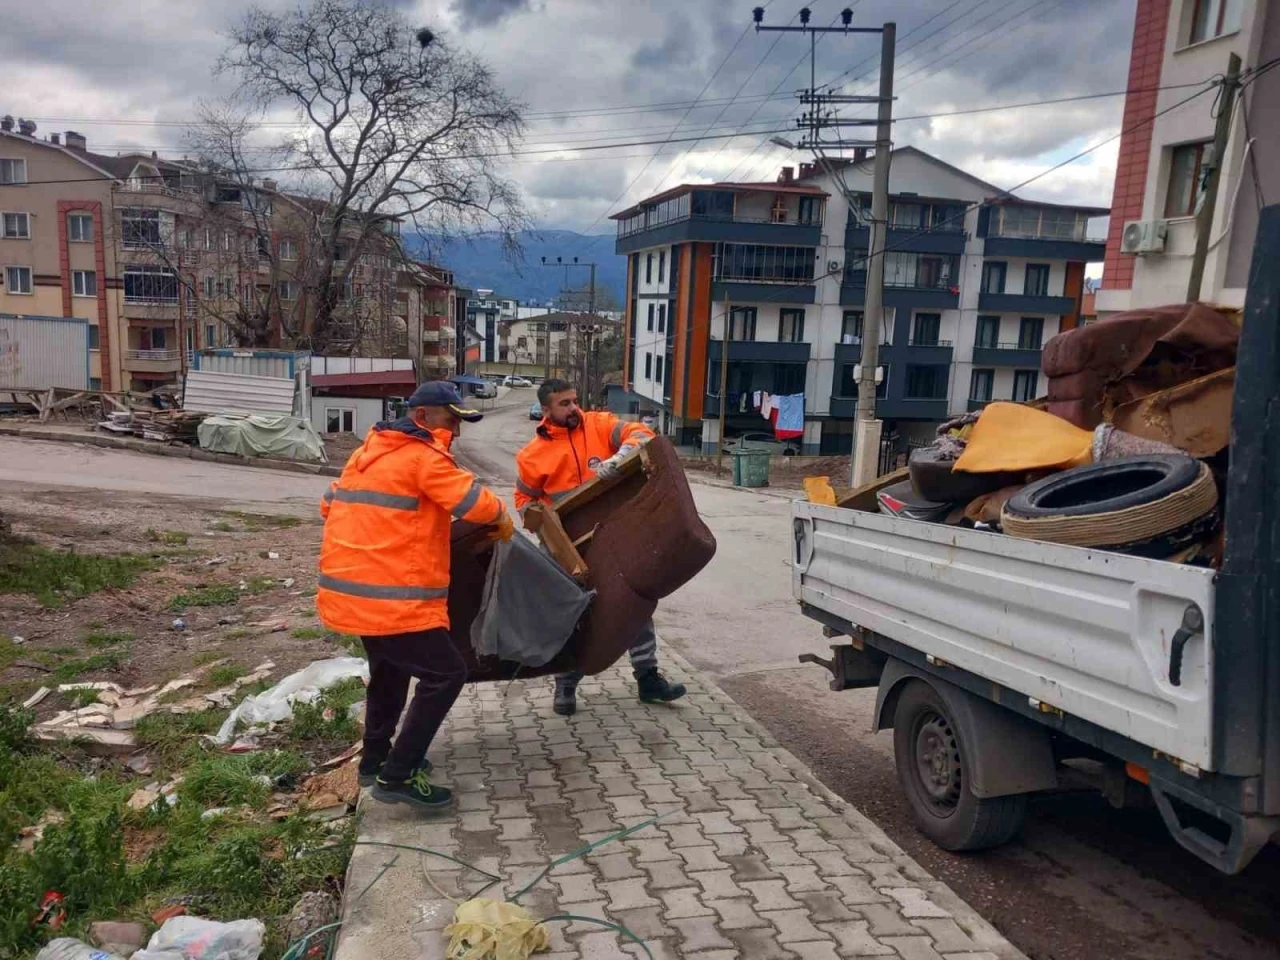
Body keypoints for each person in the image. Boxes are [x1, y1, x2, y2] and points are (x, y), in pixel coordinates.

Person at [317, 380, 513, 812]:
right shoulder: (422, 458)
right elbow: (476, 504)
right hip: (393, 598)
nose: (457, 432)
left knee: (389, 674)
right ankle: (398, 775)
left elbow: (328, 505)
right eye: (451, 421)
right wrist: (501, 516)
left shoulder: (365, 455)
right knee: (446, 674)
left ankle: (374, 760)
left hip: (353, 594)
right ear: (422, 417)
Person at [514, 378, 687, 716]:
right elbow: (523, 499)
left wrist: (622, 456)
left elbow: (641, 434)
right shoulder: (532, 455)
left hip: (616, 534)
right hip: (569, 546)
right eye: (564, 404)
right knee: (573, 614)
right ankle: (565, 686)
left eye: (575, 400)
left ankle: (648, 678)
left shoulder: (599, 424)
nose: (573, 408)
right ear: (546, 411)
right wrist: (539, 520)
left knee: (634, 602)